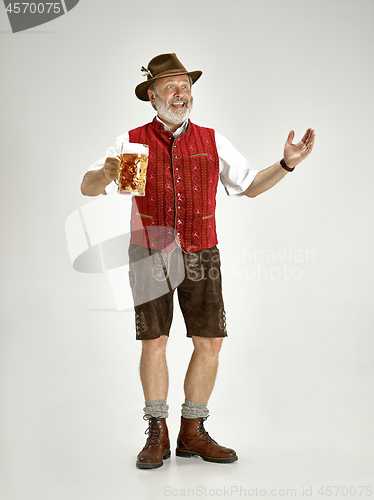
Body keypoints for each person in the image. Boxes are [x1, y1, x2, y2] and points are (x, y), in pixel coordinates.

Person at [81, 53, 315, 470]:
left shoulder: (211, 140)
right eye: (170, 87)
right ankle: (158, 430)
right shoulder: (131, 143)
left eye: (185, 86)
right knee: (155, 341)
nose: (180, 93)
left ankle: (193, 430)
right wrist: (107, 173)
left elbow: (250, 187)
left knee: (209, 341)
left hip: (202, 251)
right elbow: (89, 185)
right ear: (151, 97)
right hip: (149, 252)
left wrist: (286, 164)